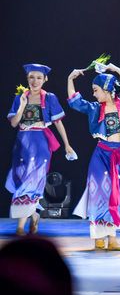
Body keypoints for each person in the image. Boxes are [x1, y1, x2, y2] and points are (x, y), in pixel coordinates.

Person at [67, 64, 120, 250]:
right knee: (99, 193)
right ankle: (98, 236)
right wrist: (70, 79)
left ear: (107, 89)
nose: (94, 94)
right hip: (101, 155)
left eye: (96, 90)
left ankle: (112, 238)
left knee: (118, 194)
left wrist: (115, 69)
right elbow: (74, 102)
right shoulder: (95, 108)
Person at [6, 63, 76, 236]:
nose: (35, 81)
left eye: (39, 77)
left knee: (32, 180)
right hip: (22, 143)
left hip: (40, 143)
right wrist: (22, 105)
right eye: (31, 77)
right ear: (27, 79)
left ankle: (20, 226)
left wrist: (67, 144)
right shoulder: (20, 97)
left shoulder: (50, 98)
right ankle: (35, 215)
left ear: (45, 79)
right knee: (20, 180)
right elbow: (14, 123)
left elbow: (58, 122)